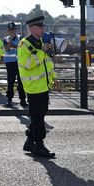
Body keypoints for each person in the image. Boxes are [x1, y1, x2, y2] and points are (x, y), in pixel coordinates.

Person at [18, 16, 59, 158]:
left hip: (43, 85)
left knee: (39, 115)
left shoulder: (42, 42)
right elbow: (27, 64)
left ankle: (29, 141)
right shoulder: (24, 44)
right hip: (33, 87)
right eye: (40, 27)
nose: (43, 29)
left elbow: (48, 62)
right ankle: (39, 145)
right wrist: (41, 51)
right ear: (32, 28)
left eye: (43, 27)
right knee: (38, 117)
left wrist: (53, 78)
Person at [3, 22, 27, 107]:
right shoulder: (6, 39)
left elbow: (23, 48)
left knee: (21, 82)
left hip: (20, 63)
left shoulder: (21, 38)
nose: (12, 31)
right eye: (10, 30)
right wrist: (11, 41)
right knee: (10, 82)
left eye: (13, 29)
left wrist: (14, 45)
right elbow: (6, 49)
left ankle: (23, 100)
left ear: (16, 30)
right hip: (10, 63)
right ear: (8, 31)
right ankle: (9, 100)